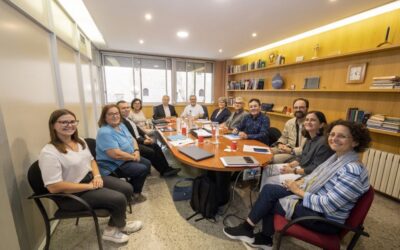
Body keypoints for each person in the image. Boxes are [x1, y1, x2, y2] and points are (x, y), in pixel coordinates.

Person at [223, 120, 371, 249]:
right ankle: (257, 234)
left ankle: (255, 233)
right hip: (314, 200)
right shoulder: (338, 158)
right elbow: (315, 177)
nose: (334, 138)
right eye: (332, 134)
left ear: (356, 141)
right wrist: (299, 182)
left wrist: (298, 191)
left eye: (342, 136)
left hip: (325, 219)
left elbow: (328, 205)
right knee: (269, 190)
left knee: (271, 201)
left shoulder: (353, 171)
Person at [38, 109, 142, 244]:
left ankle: (118, 224)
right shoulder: (49, 153)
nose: (69, 125)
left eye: (72, 121)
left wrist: (97, 176)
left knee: (127, 188)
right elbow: (54, 187)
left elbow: (91, 160)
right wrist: (88, 186)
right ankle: (111, 231)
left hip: (91, 179)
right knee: (118, 199)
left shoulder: (80, 141)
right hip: (71, 194)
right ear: (53, 125)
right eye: (64, 122)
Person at [260, 111, 334, 188]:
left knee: (270, 180)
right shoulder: (309, 138)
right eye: (307, 119)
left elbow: (315, 168)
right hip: (300, 168)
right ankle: (263, 195)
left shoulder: (324, 143)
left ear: (321, 125)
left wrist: (293, 171)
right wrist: (291, 165)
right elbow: (302, 156)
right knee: (267, 169)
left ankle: (267, 194)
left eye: (313, 120)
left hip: (308, 175)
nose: (308, 122)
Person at [96, 104, 151, 203]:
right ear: (104, 117)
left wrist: (136, 151)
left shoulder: (121, 125)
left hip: (127, 158)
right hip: (113, 165)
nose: (115, 116)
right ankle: (135, 194)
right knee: (142, 168)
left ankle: (130, 190)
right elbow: (116, 154)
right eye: (110, 114)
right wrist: (133, 158)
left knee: (147, 163)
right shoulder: (105, 132)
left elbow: (132, 139)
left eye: (116, 113)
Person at [117, 100, 180, 177]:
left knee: (156, 146)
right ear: (118, 110)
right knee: (151, 152)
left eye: (127, 107)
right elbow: (131, 138)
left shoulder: (127, 118)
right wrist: (144, 141)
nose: (126, 109)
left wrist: (146, 136)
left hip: (140, 139)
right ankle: (163, 171)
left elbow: (137, 129)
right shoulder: (120, 122)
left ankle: (167, 168)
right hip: (134, 144)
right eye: (123, 108)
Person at [271, 98, 309, 163]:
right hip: (287, 148)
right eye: (296, 107)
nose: (298, 110)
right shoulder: (290, 122)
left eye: (301, 107)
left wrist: (290, 150)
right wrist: (280, 144)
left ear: (307, 108)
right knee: (267, 151)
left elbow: (305, 149)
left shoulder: (309, 125)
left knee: (273, 159)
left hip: (298, 154)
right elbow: (283, 137)